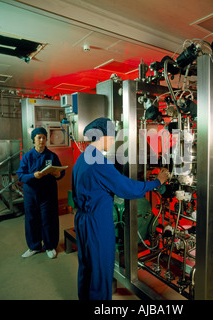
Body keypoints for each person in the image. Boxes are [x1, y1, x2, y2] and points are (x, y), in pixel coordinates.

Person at [72, 117, 169, 300]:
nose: (113, 140)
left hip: (82, 220)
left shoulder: (82, 158)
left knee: (87, 265)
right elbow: (127, 188)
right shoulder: (100, 162)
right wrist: (157, 182)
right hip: (97, 222)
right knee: (101, 269)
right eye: (112, 136)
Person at [16, 127, 65, 259]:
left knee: (48, 219)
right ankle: (34, 247)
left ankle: (50, 246)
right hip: (31, 194)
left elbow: (61, 172)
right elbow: (20, 175)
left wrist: (57, 174)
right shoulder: (27, 157)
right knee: (32, 220)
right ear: (33, 140)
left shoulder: (52, 156)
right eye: (39, 137)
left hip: (48, 194)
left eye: (44, 137)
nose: (42, 140)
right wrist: (33, 176)